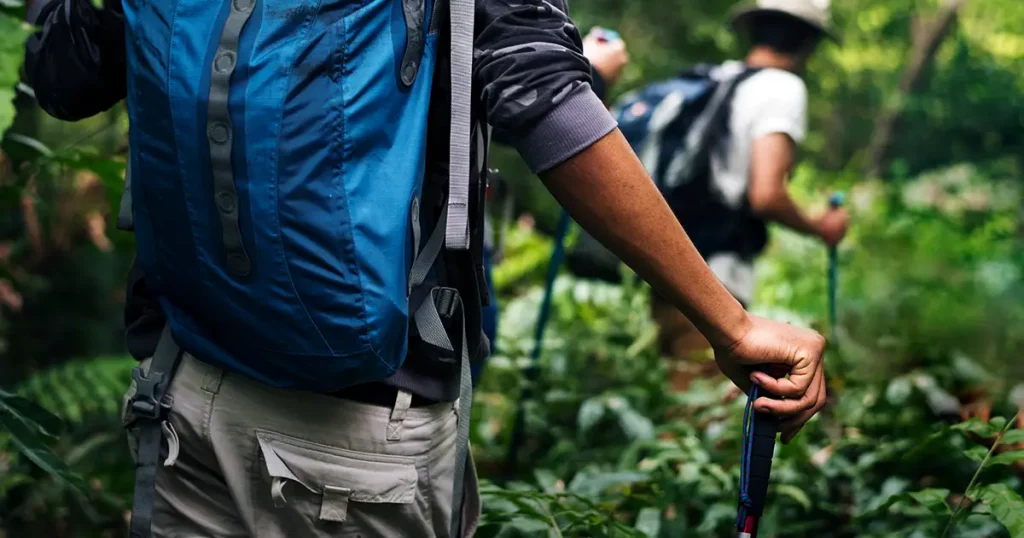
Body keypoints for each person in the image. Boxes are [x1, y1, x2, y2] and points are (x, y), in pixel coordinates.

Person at [25, 0, 830, 537]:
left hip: (184, 388)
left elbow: (62, 76)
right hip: (360, 437)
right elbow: (543, 99)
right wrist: (731, 321)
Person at [646, 0, 851, 386]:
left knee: (678, 392)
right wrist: (819, 227)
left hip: (667, 263)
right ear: (808, 43)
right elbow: (766, 194)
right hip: (715, 280)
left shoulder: (717, 79)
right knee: (700, 409)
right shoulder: (783, 88)